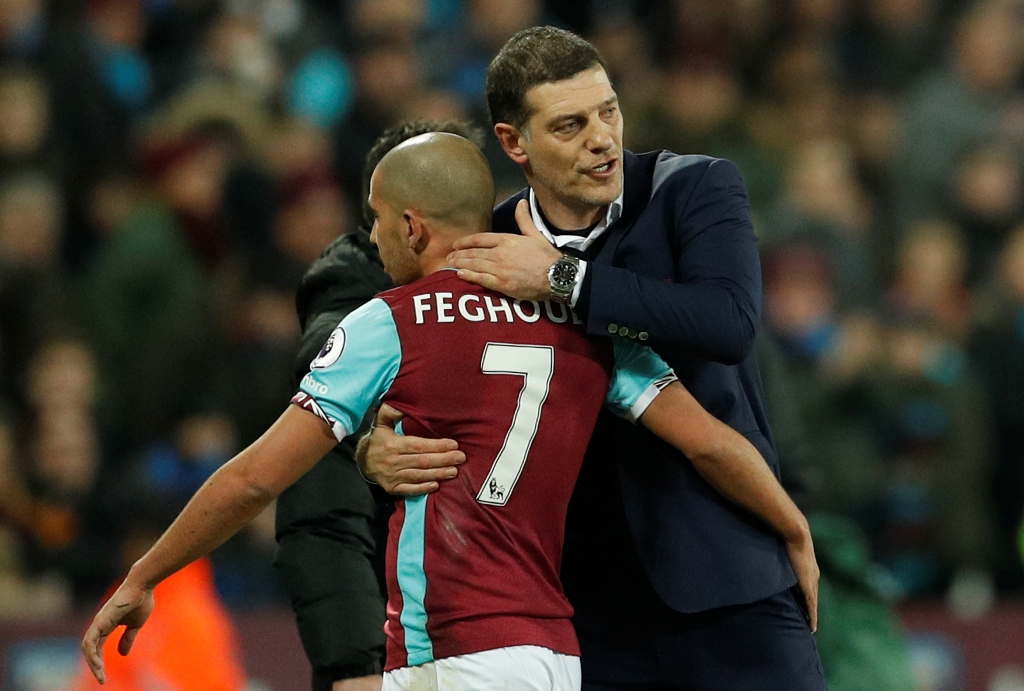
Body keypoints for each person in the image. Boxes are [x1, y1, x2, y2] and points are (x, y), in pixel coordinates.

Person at [82, 134, 813, 691]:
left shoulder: (389, 322)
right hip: (556, 656)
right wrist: (791, 526)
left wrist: (144, 574)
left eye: (374, 218)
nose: (370, 237)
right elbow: (712, 445)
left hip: (457, 652)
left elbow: (252, 480)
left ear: (411, 225)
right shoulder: (579, 319)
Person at [360, 27, 828, 690]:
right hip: (578, 609)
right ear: (514, 142)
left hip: (727, 586)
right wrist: (373, 445)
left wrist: (564, 281)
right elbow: (409, 369)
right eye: (571, 125)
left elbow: (727, 324)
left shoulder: (693, 189)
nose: (602, 138)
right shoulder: (484, 249)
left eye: (608, 111)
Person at [275, 120, 482, 691]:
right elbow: (321, 516)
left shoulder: (513, 294)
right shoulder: (356, 319)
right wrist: (354, 668)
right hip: (394, 652)